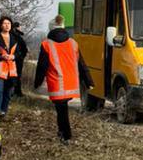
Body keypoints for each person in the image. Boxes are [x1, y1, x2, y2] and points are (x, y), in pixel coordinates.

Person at [34, 15, 93, 144]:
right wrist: (88, 81)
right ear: (63, 28)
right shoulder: (73, 43)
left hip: (56, 83)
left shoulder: (46, 44)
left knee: (61, 110)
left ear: (50, 29)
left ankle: (65, 135)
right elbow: (81, 64)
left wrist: (37, 83)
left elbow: (42, 67)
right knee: (62, 109)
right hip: (71, 82)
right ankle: (63, 133)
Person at [11, 20, 28, 97]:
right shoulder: (19, 37)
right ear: (17, 27)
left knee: (11, 75)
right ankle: (17, 92)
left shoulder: (9, 36)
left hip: (10, 59)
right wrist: (21, 56)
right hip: (18, 59)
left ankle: (12, 91)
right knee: (18, 75)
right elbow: (24, 49)